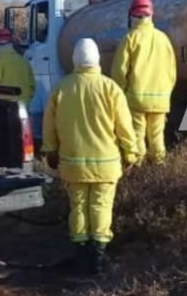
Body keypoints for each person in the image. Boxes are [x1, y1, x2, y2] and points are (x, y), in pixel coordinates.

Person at [42, 38, 138, 275]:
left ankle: (80, 254)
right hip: (106, 166)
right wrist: (131, 153)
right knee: (101, 206)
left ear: (75, 59)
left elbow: (49, 125)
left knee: (78, 207)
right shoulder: (111, 88)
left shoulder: (62, 88)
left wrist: (50, 150)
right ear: (97, 60)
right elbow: (125, 127)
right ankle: (98, 257)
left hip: (73, 165)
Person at [111, 0, 177, 165]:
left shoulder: (129, 39)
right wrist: (166, 92)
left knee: (137, 135)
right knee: (157, 136)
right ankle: (158, 167)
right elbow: (172, 71)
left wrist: (120, 94)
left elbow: (119, 72)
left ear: (131, 16)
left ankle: (139, 169)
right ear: (151, 15)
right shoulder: (163, 39)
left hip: (136, 99)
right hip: (161, 98)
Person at [0, 27, 35, 105]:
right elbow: (32, 85)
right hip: (24, 105)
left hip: (5, 106)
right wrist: (27, 100)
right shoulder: (23, 61)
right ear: (11, 43)